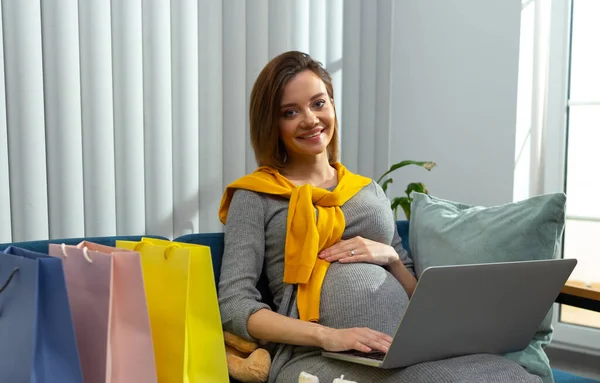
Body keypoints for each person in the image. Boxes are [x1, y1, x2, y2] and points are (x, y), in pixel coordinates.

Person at [217, 51, 541, 383]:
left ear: (331, 105)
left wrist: (390, 258)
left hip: (404, 349)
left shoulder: (368, 190)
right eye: (290, 112)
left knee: (510, 374)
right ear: (273, 124)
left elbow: (417, 294)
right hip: (317, 356)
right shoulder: (256, 194)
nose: (310, 119)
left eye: (318, 103)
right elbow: (233, 304)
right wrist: (329, 336)